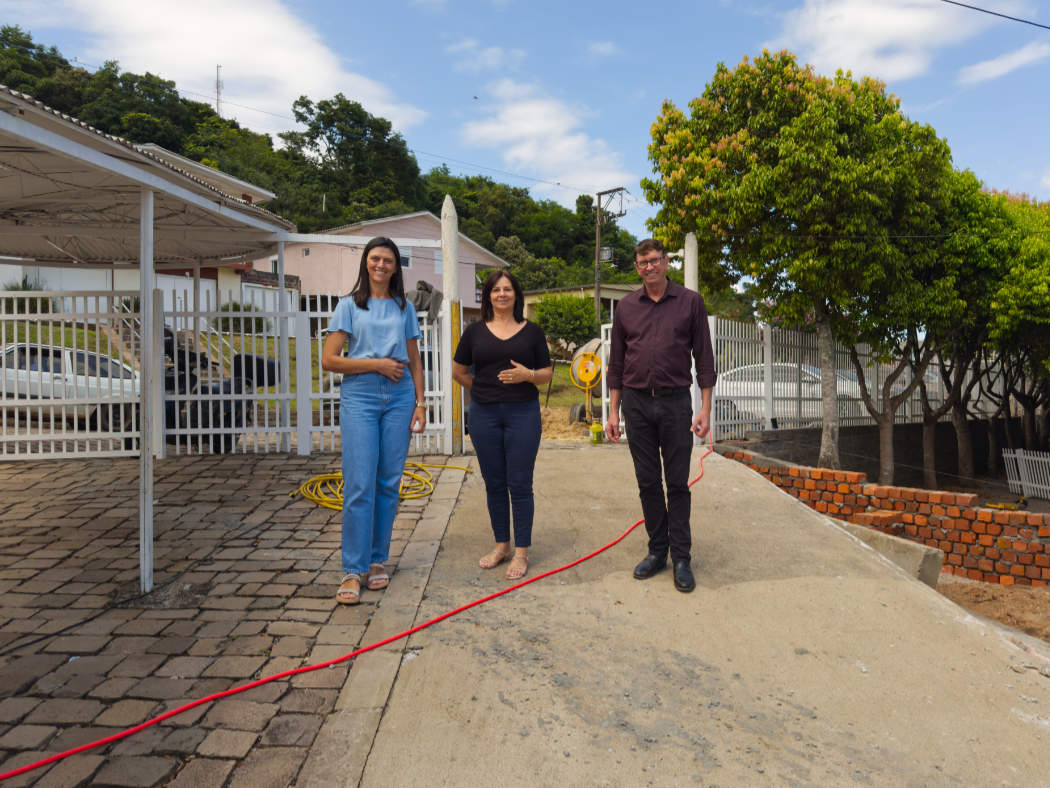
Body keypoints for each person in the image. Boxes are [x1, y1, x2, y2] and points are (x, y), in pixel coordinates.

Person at [604, 238, 716, 593]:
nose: (649, 267)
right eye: (642, 263)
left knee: (678, 483)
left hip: (675, 404)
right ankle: (657, 550)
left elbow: (705, 359)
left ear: (667, 262)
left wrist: (705, 408)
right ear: (636, 267)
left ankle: (682, 557)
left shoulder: (690, 303)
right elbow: (617, 364)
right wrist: (613, 412)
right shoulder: (626, 308)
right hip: (636, 405)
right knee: (648, 482)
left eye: (654, 260)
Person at [321, 237, 426, 605]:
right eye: (375, 258)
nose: (381, 264)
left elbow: (415, 359)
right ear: (366, 263)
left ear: (396, 267)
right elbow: (330, 359)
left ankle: (378, 560)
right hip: (361, 395)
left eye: (388, 260)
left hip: (399, 398)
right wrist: (375, 364)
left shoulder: (404, 307)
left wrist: (420, 403)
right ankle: (353, 568)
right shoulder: (349, 306)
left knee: (388, 483)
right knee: (359, 483)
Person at [452, 269, 553, 580]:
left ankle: (521, 552)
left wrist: (528, 376)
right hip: (484, 416)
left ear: (516, 295)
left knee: (520, 484)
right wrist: (480, 391)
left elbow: (547, 373)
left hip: (522, 413)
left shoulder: (532, 332)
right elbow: (459, 371)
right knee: (494, 483)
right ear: (489, 296)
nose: (502, 294)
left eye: (508, 289)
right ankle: (501, 546)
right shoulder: (474, 332)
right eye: (496, 290)